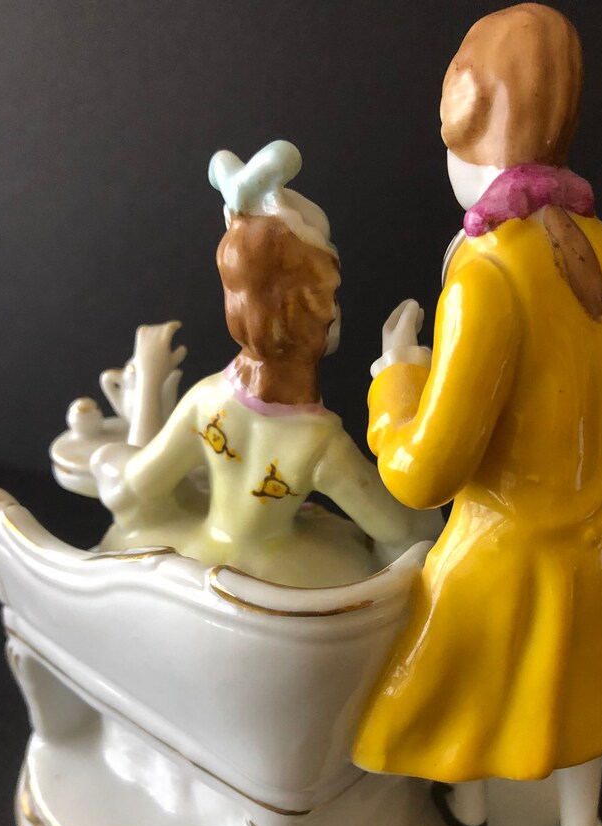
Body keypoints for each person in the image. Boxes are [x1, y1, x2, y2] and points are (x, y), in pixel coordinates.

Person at [352, 4, 602, 826]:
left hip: (509, 557)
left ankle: (470, 812)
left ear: (469, 128)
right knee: (587, 700)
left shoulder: (486, 273)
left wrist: (393, 384)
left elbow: (424, 474)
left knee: (460, 678)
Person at [92, 142, 427, 587]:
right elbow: (405, 531)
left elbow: (134, 488)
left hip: (196, 563)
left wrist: (109, 453)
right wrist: (400, 378)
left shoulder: (206, 400)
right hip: (276, 584)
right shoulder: (319, 444)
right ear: (322, 311)